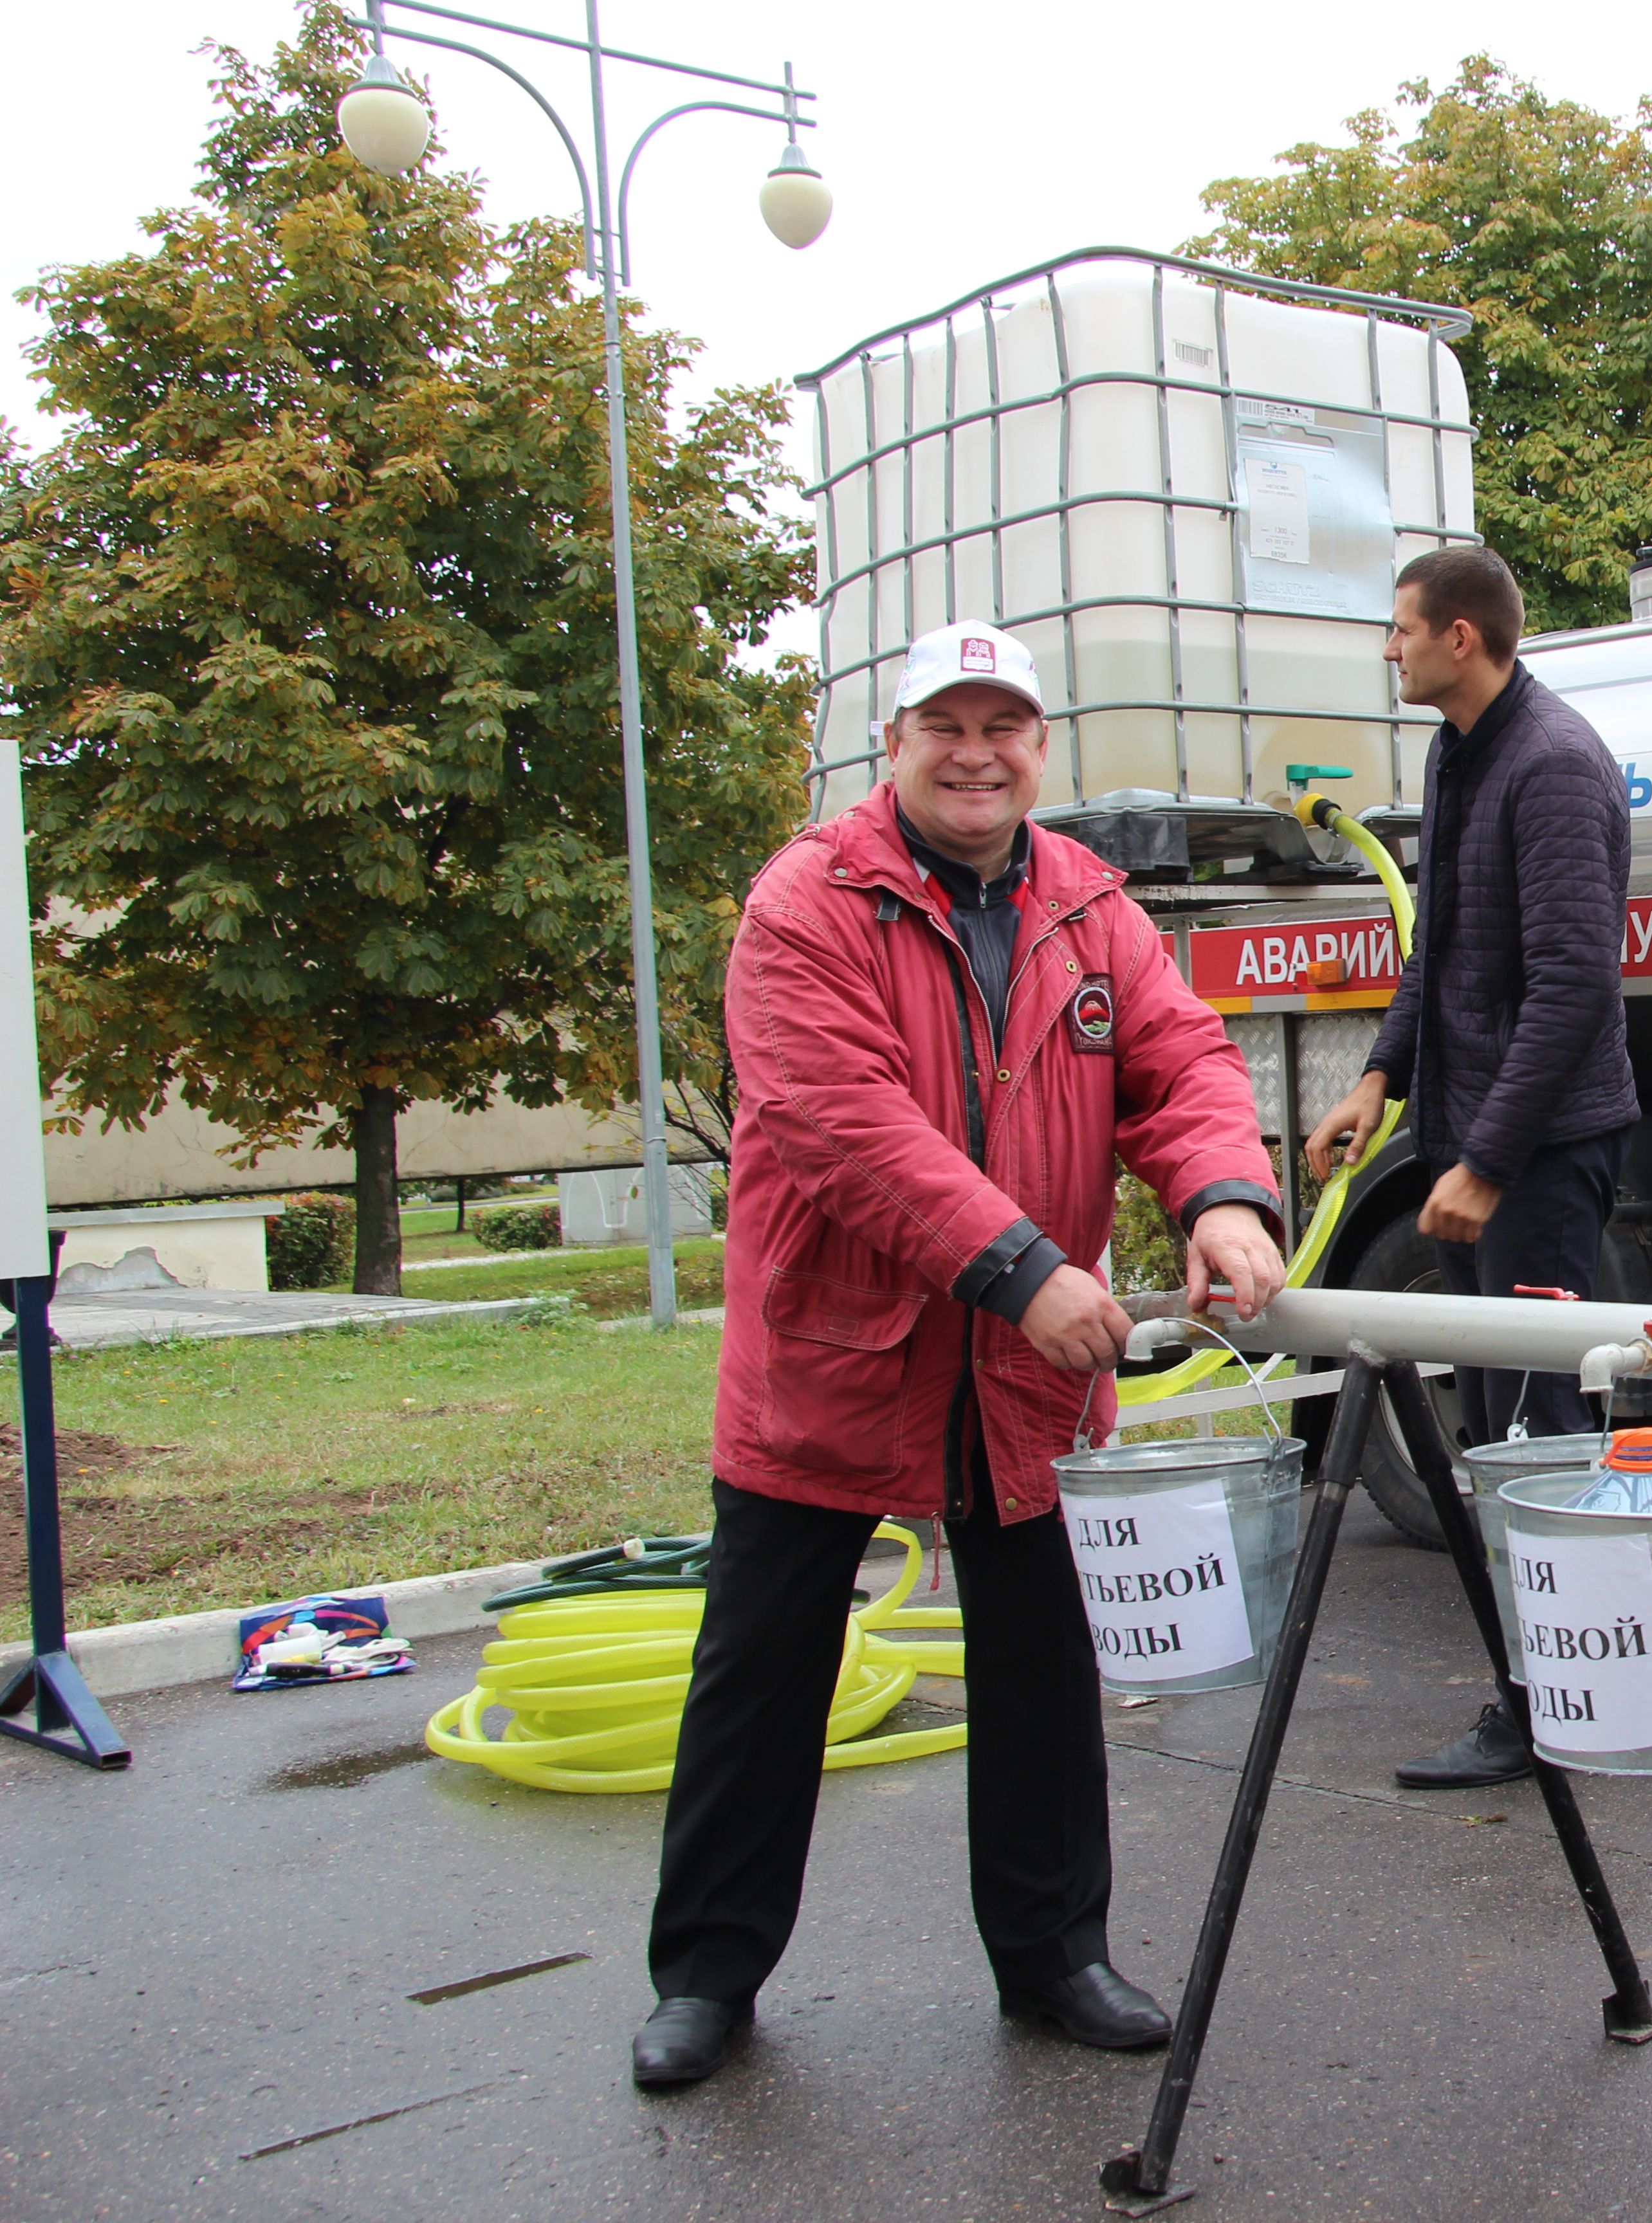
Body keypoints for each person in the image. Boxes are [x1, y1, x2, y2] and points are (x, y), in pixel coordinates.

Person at [632, 619, 1289, 2090]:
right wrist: (1021, 1270)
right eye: (949, 725)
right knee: (763, 1674)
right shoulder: (807, 901)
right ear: (898, 744)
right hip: (836, 1354)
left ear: (1040, 750)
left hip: (1020, 1375)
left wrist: (1226, 1197)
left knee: (1045, 1674)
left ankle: (1056, 1957)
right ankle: (709, 1977)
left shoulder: (1089, 905)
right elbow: (838, 1121)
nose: (977, 754)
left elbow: (1181, 1063)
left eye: (1005, 728)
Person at [1304, 546, 1638, 1792]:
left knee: (1538, 1434)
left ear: (1462, 636)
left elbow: (1571, 990)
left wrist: (1492, 1165)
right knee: (1501, 1423)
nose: (1389, 651)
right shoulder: (1462, 752)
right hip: (1480, 1133)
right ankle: (1557, 1686)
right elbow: (1437, 951)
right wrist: (1379, 1080)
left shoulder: (1552, 767)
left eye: (1400, 631)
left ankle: (1554, 1709)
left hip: (1544, 1155)